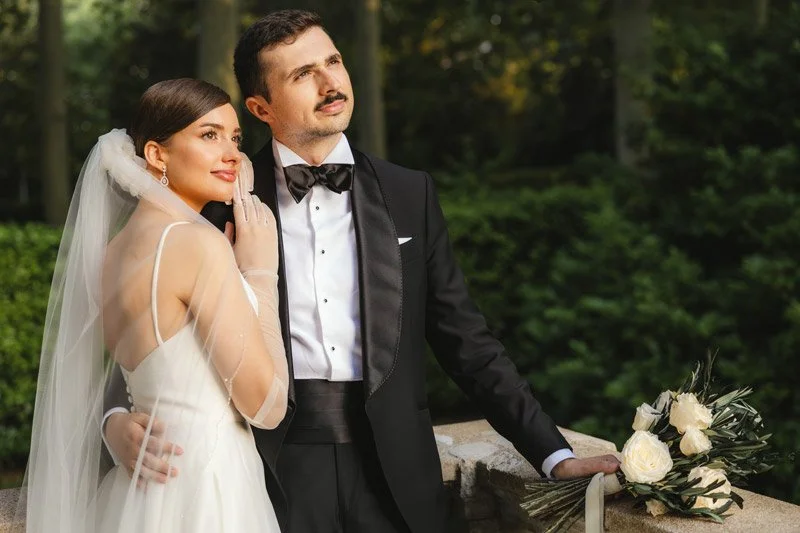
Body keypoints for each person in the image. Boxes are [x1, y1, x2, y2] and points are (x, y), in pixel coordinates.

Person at [105, 10, 620, 533]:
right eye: (302, 74)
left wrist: (553, 454)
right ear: (261, 107)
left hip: (397, 474)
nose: (330, 83)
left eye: (333, 61)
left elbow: (467, 341)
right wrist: (113, 421)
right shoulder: (217, 197)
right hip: (270, 474)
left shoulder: (409, 192)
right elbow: (145, 329)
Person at [19, 78, 288, 533]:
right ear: (156, 155)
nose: (232, 154)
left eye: (235, 138)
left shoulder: (111, 254)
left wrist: (113, 421)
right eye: (209, 135)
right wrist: (261, 274)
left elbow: (123, 380)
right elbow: (266, 407)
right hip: (208, 484)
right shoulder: (197, 244)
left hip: (140, 490)